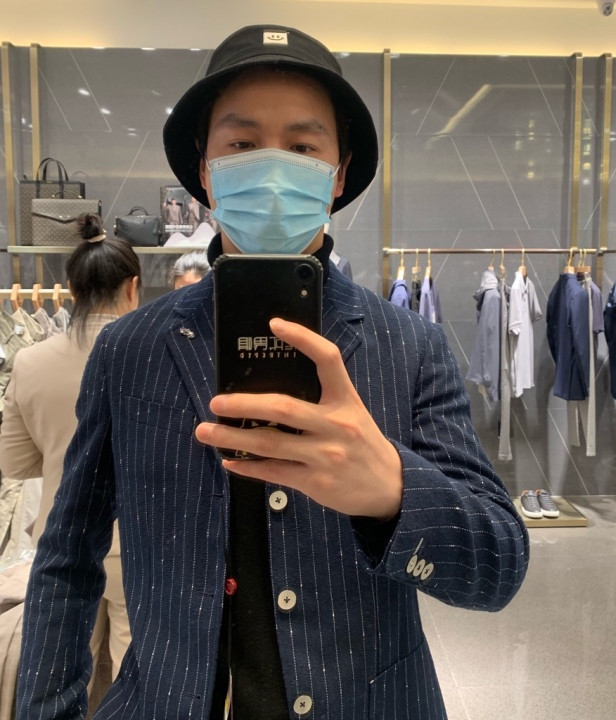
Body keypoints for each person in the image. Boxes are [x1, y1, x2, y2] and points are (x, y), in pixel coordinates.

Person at [16, 25, 529, 720]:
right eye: (241, 143)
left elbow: (498, 567)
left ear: (339, 175)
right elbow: (66, 557)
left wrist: (393, 490)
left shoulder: (411, 346)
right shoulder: (129, 349)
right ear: (205, 170)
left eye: (303, 147)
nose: (272, 168)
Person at [1, 213, 140, 701]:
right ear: (133, 287)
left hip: (60, 540)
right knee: (133, 681)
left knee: (59, 680)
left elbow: (14, 463)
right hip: (138, 543)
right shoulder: (154, 359)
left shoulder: (30, 361)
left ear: (72, 290)